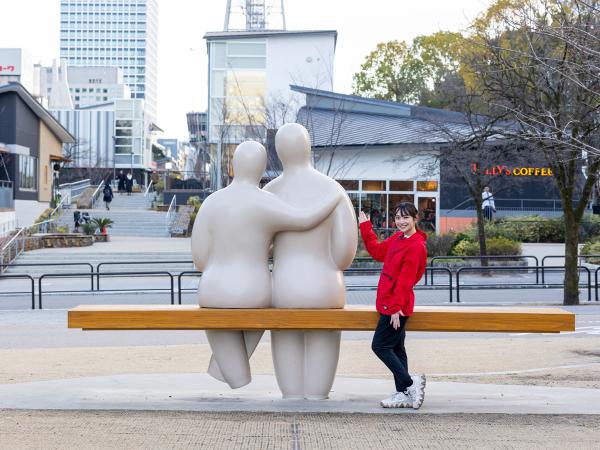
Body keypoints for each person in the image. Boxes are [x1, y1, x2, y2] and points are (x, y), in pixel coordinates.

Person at [191, 140, 341, 390]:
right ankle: (232, 373)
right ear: (261, 170)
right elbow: (304, 219)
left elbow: (199, 259)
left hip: (213, 288)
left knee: (226, 341)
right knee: (262, 309)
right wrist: (333, 196)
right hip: (255, 291)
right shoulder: (265, 201)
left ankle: (233, 374)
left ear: (232, 165)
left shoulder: (211, 203)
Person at [263, 123, 357, 399]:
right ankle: (317, 394)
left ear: (279, 152)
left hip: (284, 286)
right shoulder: (334, 190)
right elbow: (344, 253)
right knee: (322, 339)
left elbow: (260, 245)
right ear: (309, 148)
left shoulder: (270, 191)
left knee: (286, 338)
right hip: (325, 284)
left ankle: (291, 393)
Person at [358, 202, 428, 409]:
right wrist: (366, 228)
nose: (401, 222)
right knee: (397, 349)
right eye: (398, 218)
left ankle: (409, 384)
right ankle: (403, 394)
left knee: (379, 346)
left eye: (405, 217)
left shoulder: (415, 246)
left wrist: (396, 308)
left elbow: (406, 281)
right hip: (391, 304)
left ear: (415, 219)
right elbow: (378, 252)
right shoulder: (399, 238)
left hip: (396, 306)